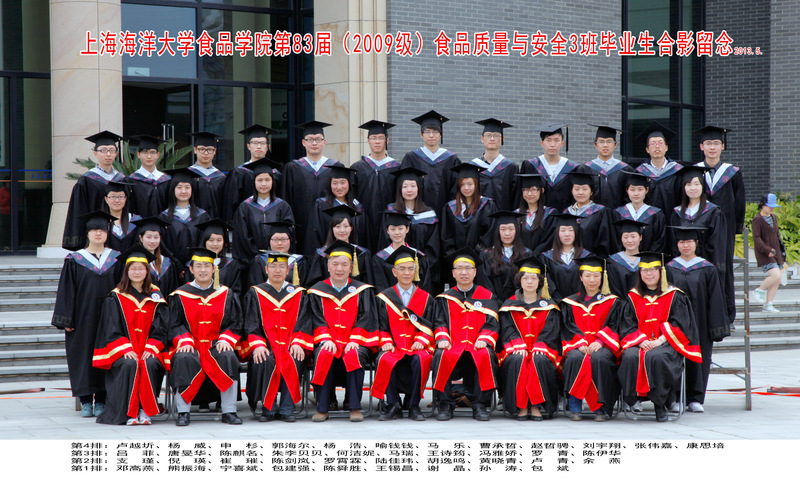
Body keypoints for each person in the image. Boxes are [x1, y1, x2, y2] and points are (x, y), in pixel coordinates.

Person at [293, 240, 378, 422]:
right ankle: (323, 407)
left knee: (354, 354)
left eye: (344, 264)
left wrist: (354, 340)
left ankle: (354, 406)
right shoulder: (316, 291)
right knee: (324, 353)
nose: (339, 268)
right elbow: (314, 318)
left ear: (351, 268)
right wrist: (325, 339)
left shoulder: (362, 290)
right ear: (328, 266)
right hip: (327, 341)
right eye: (335, 264)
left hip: (354, 342)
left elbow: (367, 317)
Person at [618, 252, 702, 422]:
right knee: (630, 356)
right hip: (639, 343)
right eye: (644, 270)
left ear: (661, 271)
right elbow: (626, 325)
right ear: (639, 273)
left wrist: (660, 340)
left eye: (653, 270)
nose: (648, 274)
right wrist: (641, 340)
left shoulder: (674, 295)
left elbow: (681, 324)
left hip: (666, 343)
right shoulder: (632, 297)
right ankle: (634, 399)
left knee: (657, 357)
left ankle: (660, 404)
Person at [52, 210, 121, 417]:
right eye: (93, 230)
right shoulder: (75, 259)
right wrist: (66, 318)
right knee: (83, 356)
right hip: (82, 318)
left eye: (101, 230)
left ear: (107, 233)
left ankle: (101, 399)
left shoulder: (116, 259)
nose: (98, 233)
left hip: (109, 319)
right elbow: (66, 291)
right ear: (87, 233)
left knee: (106, 355)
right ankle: (85, 400)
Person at [167, 247, 244, 426]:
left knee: (228, 356)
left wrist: (226, 339)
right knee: (183, 358)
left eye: (207, 266)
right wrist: (184, 340)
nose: (203, 270)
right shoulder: (180, 295)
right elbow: (173, 324)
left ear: (214, 269)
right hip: (191, 345)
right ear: (191, 269)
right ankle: (183, 412)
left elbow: (235, 322)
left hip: (216, 345)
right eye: (198, 266)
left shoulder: (226, 293)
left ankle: (229, 411)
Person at [92, 245, 168, 425]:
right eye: (133, 269)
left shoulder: (156, 296)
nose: (137, 272)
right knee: (129, 363)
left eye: (141, 268)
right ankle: (128, 412)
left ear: (147, 271)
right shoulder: (116, 297)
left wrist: (152, 347)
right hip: (124, 350)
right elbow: (111, 327)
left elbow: (162, 326)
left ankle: (145, 410)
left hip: (149, 349)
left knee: (150, 363)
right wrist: (125, 349)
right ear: (126, 272)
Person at [666, 226, 730, 413]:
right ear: (677, 244)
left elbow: (716, 299)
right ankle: (674, 398)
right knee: (674, 357)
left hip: (701, 322)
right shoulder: (669, 268)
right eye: (681, 242)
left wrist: (715, 327)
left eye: (689, 242)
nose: (685, 245)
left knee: (699, 357)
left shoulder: (707, 268)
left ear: (696, 243)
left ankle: (695, 398)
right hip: (675, 323)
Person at [431, 248, 500, 421]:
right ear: (453, 273)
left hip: (476, 344)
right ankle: (445, 404)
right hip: (453, 345)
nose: (464, 272)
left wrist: (484, 339)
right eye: (459, 268)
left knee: (485, 354)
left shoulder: (487, 296)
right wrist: (443, 338)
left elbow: (492, 323)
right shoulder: (444, 298)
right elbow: (439, 322)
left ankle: (480, 405)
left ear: (475, 272)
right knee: (440, 354)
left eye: (468, 268)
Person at [242, 251, 309, 423]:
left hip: (290, 345)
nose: (277, 270)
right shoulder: (256, 293)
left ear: (288, 270)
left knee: (295, 356)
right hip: (266, 345)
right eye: (273, 266)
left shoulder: (298, 293)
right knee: (265, 358)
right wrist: (258, 345)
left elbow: (304, 322)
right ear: (266, 269)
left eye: (281, 267)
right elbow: (251, 323)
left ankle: (287, 408)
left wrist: (298, 342)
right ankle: (268, 407)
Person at [560, 256, 629, 422]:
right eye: (588, 276)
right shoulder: (570, 302)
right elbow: (567, 327)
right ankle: (575, 406)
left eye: (596, 276)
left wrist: (600, 341)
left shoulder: (612, 301)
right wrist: (580, 342)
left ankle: (600, 408)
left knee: (600, 359)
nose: (592, 280)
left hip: (603, 346)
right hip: (578, 345)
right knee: (575, 357)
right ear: (581, 277)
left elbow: (615, 325)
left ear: (602, 278)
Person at [372, 246, 436, 421]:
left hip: (416, 346)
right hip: (393, 345)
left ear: (415, 271)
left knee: (422, 359)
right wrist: (386, 341)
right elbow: (380, 325)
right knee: (385, 358)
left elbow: (431, 324)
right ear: (394, 272)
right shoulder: (384, 297)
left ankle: (414, 405)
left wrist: (422, 340)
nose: (406, 273)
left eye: (410, 268)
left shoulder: (426, 298)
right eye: (402, 269)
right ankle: (393, 404)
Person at [497, 256, 561, 421]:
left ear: (540, 281)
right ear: (519, 280)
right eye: (526, 278)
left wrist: (541, 345)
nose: (530, 282)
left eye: (534, 278)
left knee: (539, 359)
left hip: (542, 349)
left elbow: (551, 330)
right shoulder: (509, 304)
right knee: (517, 359)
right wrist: (517, 345)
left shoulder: (549, 304)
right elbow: (506, 329)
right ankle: (521, 406)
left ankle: (536, 405)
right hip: (516, 349)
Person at [696, 125, 745, 323]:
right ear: (701, 146)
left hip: (725, 231)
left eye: (716, 143)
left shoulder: (732, 173)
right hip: (700, 230)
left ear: (722, 147)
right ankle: (702, 314)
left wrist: (735, 229)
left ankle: (727, 316)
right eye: (708, 143)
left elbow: (739, 203)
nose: (712, 147)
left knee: (724, 271)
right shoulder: (695, 172)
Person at [667, 165, 729, 320]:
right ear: (683, 188)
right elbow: (672, 243)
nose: (693, 188)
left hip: (703, 272)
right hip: (681, 272)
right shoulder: (676, 213)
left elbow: (717, 245)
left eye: (697, 184)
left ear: (703, 187)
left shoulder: (713, 212)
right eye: (688, 184)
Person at [280, 120, 343, 256]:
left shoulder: (335, 167)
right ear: (303, 142)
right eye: (310, 139)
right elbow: (286, 200)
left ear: (324, 142)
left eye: (318, 139)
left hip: (329, 226)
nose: (314, 143)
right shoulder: (293, 168)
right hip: (301, 227)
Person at [62, 131, 126, 251]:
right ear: (95, 153)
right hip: (95, 234)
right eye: (103, 150)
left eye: (111, 150)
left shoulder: (122, 179)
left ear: (116, 153)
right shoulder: (86, 180)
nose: (108, 154)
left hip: (118, 234)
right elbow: (78, 210)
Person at [230, 157, 294, 262]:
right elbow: (242, 236)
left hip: (277, 261)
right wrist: (258, 256)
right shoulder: (245, 207)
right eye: (259, 180)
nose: (264, 184)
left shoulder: (283, 206)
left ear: (273, 182)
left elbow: (289, 233)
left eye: (267, 180)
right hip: (251, 261)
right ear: (254, 182)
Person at [351, 120, 401, 251]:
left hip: (390, 221)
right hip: (364, 221)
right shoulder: (358, 167)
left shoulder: (396, 167)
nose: (377, 141)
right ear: (368, 141)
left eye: (381, 138)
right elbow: (351, 195)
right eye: (373, 138)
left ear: (387, 141)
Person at [400, 110, 460, 215]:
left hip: (444, 213)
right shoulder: (411, 158)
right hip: (416, 214)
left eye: (435, 131)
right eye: (427, 132)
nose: (431, 135)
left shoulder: (451, 159)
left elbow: (456, 189)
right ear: (421, 134)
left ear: (440, 134)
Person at [306, 165, 369, 258]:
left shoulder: (357, 207)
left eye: (343, 182)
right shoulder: (321, 205)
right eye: (335, 183)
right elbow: (314, 236)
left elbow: (363, 236)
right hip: (327, 257)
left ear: (349, 183)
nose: (339, 187)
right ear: (330, 184)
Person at [381, 166, 441, 265]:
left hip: (422, 267)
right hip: (396, 266)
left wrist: (422, 266)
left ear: (418, 188)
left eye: (413, 186)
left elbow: (433, 246)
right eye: (405, 186)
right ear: (400, 189)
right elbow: (385, 240)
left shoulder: (429, 214)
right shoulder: (391, 211)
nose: (409, 190)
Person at [306, 204, 377, 287]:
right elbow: (314, 285)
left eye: (346, 226)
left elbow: (368, 284)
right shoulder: (321, 254)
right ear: (332, 228)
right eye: (337, 226)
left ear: (351, 228)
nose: (342, 230)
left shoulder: (362, 254)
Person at [223, 124, 281, 222]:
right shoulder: (239, 173)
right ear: (248, 146)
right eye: (255, 143)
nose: (259, 146)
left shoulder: (276, 174)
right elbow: (230, 205)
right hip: (243, 224)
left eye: (262, 143)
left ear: (268, 147)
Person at [439, 162, 498, 257]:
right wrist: (456, 258)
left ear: (476, 184)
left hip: (480, 260)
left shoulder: (487, 205)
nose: (466, 188)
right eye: (462, 184)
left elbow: (489, 235)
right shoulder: (450, 208)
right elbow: (446, 238)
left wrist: (474, 256)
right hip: (456, 261)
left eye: (470, 184)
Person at [519, 123, 579, 212]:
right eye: (548, 140)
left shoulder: (572, 168)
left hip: (564, 218)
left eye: (556, 140)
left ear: (562, 143)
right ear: (541, 143)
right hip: (538, 218)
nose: (552, 144)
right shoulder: (531, 165)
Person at [159, 167, 211, 265]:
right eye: (179, 187)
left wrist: (192, 264)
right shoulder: (164, 217)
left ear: (192, 190)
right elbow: (163, 245)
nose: (183, 191)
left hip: (197, 267)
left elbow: (204, 242)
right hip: (172, 267)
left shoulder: (202, 216)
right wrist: (176, 265)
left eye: (187, 187)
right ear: (173, 190)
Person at [477, 210, 531, 302]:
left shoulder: (527, 255)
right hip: (494, 307)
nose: (507, 233)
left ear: (516, 230)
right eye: (503, 229)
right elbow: (485, 286)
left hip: (522, 306)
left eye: (511, 229)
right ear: (497, 231)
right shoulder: (487, 256)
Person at [374, 211, 432, 292]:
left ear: (407, 229)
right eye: (393, 229)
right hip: (389, 299)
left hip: (415, 298)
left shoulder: (418, 256)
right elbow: (380, 286)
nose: (397, 232)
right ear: (387, 231)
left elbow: (424, 285)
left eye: (400, 228)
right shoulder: (380, 258)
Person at [469, 118, 519, 211]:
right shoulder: (473, 166)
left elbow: (516, 199)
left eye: (496, 135)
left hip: (504, 218)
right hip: (478, 217)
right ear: (482, 139)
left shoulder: (511, 167)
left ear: (502, 139)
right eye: (488, 135)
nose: (492, 139)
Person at [184, 219, 244, 297]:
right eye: (211, 240)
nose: (215, 244)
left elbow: (235, 292)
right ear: (205, 241)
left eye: (219, 240)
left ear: (224, 242)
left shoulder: (231, 265)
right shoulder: (194, 264)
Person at [540, 213, 592, 302]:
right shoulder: (547, 258)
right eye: (563, 230)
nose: (567, 234)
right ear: (557, 233)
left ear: (576, 232)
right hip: (556, 303)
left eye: (571, 230)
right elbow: (548, 283)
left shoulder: (586, 256)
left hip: (581, 303)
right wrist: (559, 302)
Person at [634, 121, 683, 214]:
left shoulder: (678, 171)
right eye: (653, 144)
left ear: (666, 147)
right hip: (648, 219)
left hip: (673, 218)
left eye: (660, 143)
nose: (657, 146)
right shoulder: (640, 172)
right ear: (647, 150)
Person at [611, 171, 666, 253]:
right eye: (632, 190)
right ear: (627, 190)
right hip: (625, 258)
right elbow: (615, 240)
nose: (636, 193)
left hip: (648, 259)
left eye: (640, 189)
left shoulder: (656, 214)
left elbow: (659, 241)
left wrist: (648, 257)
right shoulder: (618, 213)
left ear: (647, 190)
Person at [580, 125, 633, 209]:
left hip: (618, 215)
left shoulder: (625, 170)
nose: (605, 145)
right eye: (601, 141)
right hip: (592, 215)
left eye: (609, 141)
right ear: (595, 144)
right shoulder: (585, 169)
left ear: (615, 144)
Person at [247, 221, 309, 290]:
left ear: (290, 240)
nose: (279, 243)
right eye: (275, 239)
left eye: (284, 239)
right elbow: (255, 288)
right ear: (269, 241)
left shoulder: (298, 261)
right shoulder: (260, 261)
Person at [750, 193, 785, 313]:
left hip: (776, 252)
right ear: (763, 205)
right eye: (769, 206)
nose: (772, 208)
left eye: (773, 206)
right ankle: (759, 290)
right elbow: (756, 238)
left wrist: (781, 252)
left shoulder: (773, 217)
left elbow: (777, 236)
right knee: (775, 275)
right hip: (764, 253)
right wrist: (767, 250)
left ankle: (769, 304)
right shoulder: (757, 220)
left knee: (777, 279)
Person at [564, 171, 612, 257]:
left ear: (591, 191)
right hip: (569, 260)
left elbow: (605, 242)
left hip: (592, 260)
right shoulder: (566, 212)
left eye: (585, 189)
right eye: (576, 189)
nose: (580, 192)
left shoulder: (601, 212)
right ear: (571, 191)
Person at [132, 216, 181, 298]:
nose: (152, 241)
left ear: (160, 238)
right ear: (141, 238)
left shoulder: (167, 263)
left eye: (156, 237)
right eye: (148, 237)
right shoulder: (134, 262)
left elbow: (172, 290)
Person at [125, 135, 170, 218]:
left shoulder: (166, 180)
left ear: (158, 155)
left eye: (152, 152)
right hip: (138, 224)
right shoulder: (130, 181)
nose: (149, 156)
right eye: (145, 152)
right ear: (138, 154)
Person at [187, 131, 226, 220]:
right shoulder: (188, 175)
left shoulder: (221, 177)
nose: (206, 153)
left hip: (215, 223)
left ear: (215, 151)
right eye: (202, 149)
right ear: (195, 150)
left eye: (209, 149)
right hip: (193, 222)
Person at [514, 174, 556, 254]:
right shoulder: (515, 215)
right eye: (526, 190)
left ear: (542, 190)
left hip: (543, 258)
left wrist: (535, 254)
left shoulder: (550, 214)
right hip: (520, 257)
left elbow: (550, 239)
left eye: (533, 190)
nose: (529, 194)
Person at [606, 219, 647, 298]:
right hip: (620, 303)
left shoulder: (647, 260)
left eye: (633, 236)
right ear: (621, 238)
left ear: (640, 237)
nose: (629, 240)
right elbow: (613, 289)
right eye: (625, 237)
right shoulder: (613, 262)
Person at [102, 181, 141, 252]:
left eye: (121, 197)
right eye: (112, 197)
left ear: (126, 198)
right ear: (106, 199)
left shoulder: (136, 220)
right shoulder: (101, 221)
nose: (117, 200)